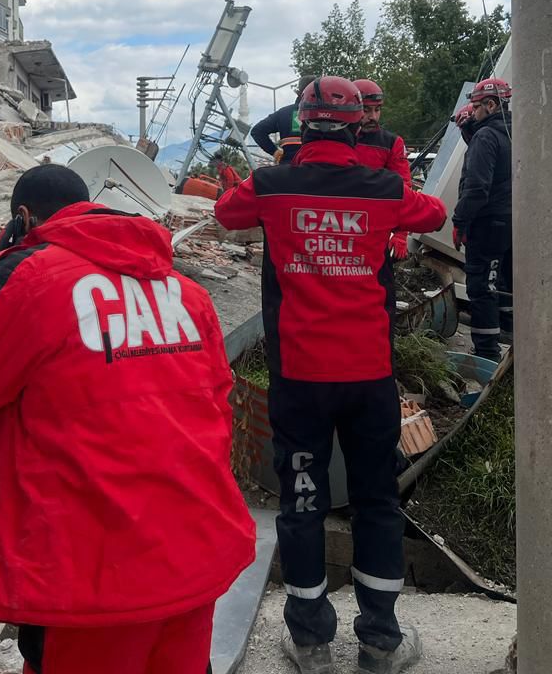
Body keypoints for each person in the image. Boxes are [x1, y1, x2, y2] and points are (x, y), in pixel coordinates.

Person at [0, 164, 255, 674]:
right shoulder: (186, 292)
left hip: (92, 579)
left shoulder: (29, 278)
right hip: (196, 550)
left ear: (22, 218)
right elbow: (219, 403)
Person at [215, 77, 446, 674]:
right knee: (375, 502)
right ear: (355, 125)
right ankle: (380, 642)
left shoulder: (271, 183)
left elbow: (225, 212)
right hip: (368, 375)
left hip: (300, 376)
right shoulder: (386, 187)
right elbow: (435, 212)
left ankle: (312, 644)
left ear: (300, 123)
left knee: (302, 503)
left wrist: (281, 165)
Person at [452, 78, 513, 362]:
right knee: (506, 283)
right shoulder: (516, 131)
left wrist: (460, 221)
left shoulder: (486, 137)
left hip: (488, 223)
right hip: (513, 222)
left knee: (482, 286)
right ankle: (512, 339)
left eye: (476, 107)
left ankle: (487, 355)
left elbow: (477, 187)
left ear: (490, 104)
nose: (473, 112)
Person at [354, 79, 412, 261]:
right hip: (340, 223)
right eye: (367, 110)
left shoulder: (391, 143)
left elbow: (403, 188)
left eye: (377, 110)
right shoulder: (339, 139)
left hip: (375, 227)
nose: (373, 116)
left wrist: (401, 233)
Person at [250, 73, 317, 164]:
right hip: (316, 169)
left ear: (298, 92)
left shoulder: (283, 113)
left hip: (288, 169)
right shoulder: (325, 114)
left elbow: (257, 131)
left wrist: (275, 151)